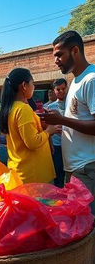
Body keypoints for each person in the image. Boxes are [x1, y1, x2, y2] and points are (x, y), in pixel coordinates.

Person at [40, 31, 95, 213]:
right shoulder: (76, 82)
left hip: (87, 167)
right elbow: (76, 119)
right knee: (79, 224)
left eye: (59, 54)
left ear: (75, 51)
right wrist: (54, 121)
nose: (55, 60)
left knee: (88, 224)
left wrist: (62, 119)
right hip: (74, 168)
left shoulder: (91, 79)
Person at [0, 68, 56, 184]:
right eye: (32, 83)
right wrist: (49, 131)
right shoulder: (23, 109)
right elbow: (32, 142)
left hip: (22, 171)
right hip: (34, 175)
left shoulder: (11, 108)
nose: (33, 87)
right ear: (24, 85)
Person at [45, 78, 68, 187]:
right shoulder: (49, 107)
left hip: (70, 143)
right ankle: (59, 195)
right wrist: (50, 143)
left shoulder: (72, 104)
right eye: (58, 89)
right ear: (54, 90)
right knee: (58, 170)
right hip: (56, 144)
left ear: (67, 88)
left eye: (63, 88)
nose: (61, 91)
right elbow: (47, 127)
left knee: (70, 171)